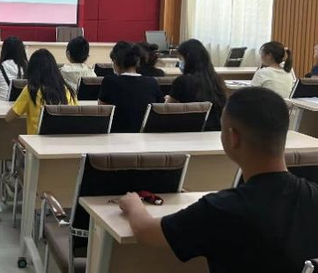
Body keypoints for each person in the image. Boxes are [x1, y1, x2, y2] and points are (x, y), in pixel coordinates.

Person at [118, 87, 318, 273]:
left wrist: (134, 204)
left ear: (233, 137)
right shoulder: (313, 196)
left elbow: (146, 232)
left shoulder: (220, 209)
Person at [6, 49, 77, 134]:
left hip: (36, 141)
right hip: (62, 140)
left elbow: (9, 117)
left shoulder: (31, 90)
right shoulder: (68, 90)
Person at [98, 41, 163, 132]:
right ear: (137, 61)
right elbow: (160, 108)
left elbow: (102, 111)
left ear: (115, 62)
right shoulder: (152, 82)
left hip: (115, 135)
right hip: (145, 136)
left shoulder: (109, 81)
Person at [166, 39, 226, 131]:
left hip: (189, 130)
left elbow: (168, 109)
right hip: (215, 131)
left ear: (187, 57)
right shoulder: (217, 79)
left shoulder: (182, 81)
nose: (179, 63)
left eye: (181, 58)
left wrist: (168, 99)